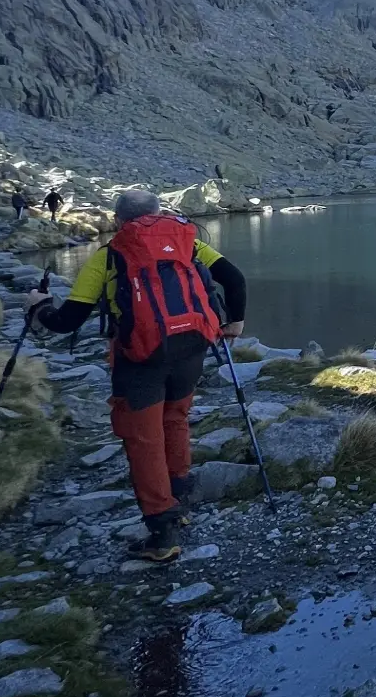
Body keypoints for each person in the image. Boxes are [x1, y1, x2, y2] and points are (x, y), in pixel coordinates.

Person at [27, 190, 247, 563]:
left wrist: (38, 307)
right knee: (175, 419)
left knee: (144, 438)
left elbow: (67, 321)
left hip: (140, 358)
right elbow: (235, 279)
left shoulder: (108, 254)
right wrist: (235, 323)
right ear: (159, 214)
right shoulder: (187, 242)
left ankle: (163, 533)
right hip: (192, 347)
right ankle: (181, 503)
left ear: (117, 221)